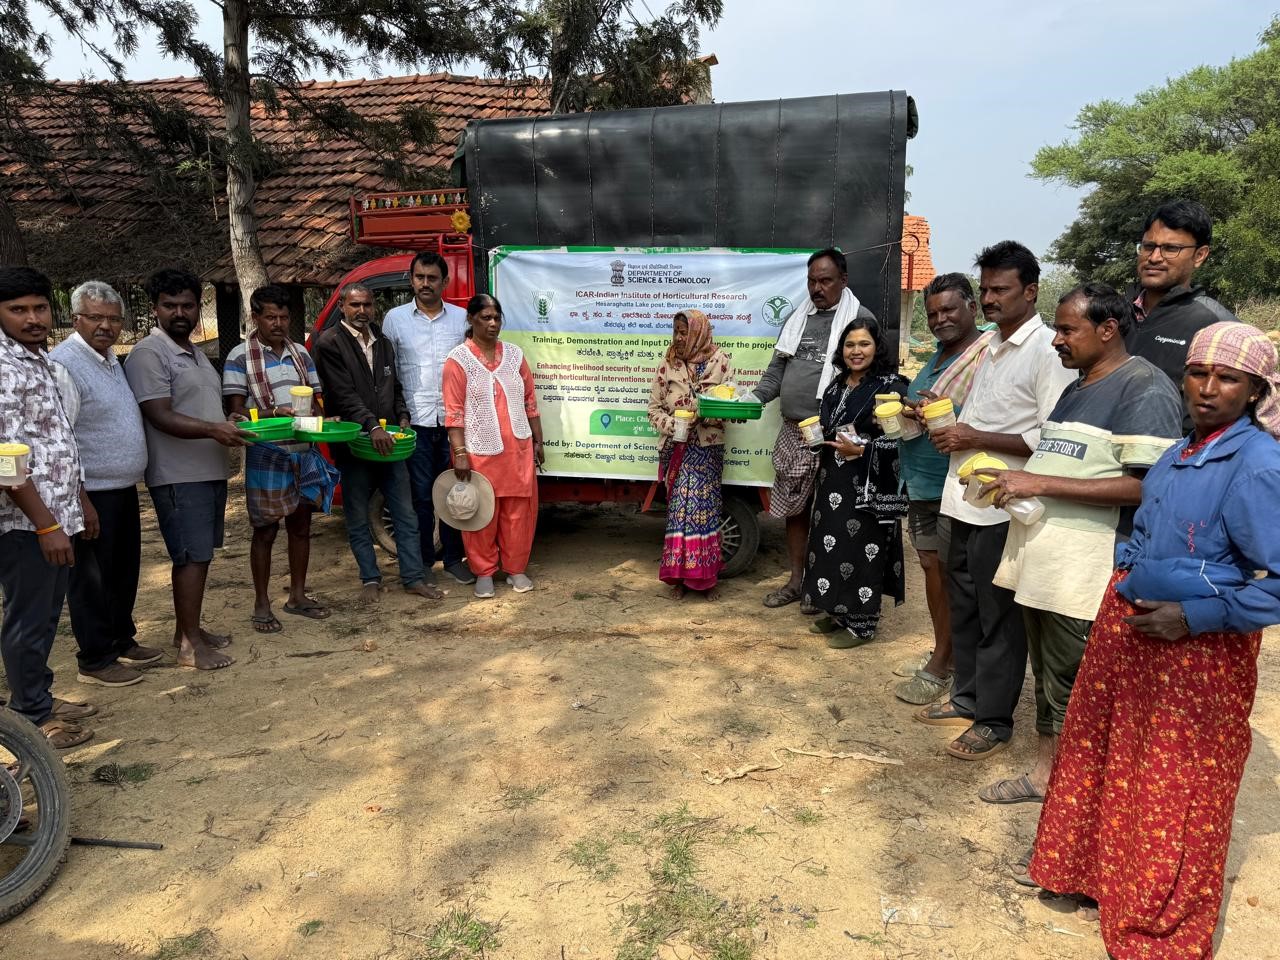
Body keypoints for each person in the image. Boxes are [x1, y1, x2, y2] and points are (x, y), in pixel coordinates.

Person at [1029, 321, 1280, 960]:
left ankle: (1157, 921)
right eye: (1199, 373)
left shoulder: (1256, 464)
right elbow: (1144, 533)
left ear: (1255, 390)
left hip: (1198, 650)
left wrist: (1193, 617)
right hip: (1133, 633)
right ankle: (1096, 879)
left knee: (1176, 787)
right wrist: (1126, 583)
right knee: (1111, 758)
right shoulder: (1178, 453)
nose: (1208, 388)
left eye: (1228, 379)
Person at [974, 282, 1182, 808]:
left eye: (1068, 330)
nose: (1056, 341)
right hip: (1045, 563)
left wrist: (1038, 483)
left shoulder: (1145, 388)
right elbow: (1064, 463)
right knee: (1048, 676)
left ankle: (1076, 798)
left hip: (1084, 571)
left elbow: (1146, 485)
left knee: (1076, 684)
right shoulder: (1079, 385)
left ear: (1108, 330)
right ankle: (1049, 777)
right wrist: (1012, 481)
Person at [914, 241, 1075, 760]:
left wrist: (975, 436)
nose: (989, 299)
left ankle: (994, 720)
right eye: (984, 289)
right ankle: (967, 696)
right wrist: (955, 433)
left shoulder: (1048, 352)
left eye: (1000, 290)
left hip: (1002, 503)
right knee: (964, 606)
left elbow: (1053, 434)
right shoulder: (991, 347)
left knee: (998, 615)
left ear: (1030, 292)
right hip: (962, 498)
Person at [125, 268, 247, 671]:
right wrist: (215, 429)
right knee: (190, 557)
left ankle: (186, 630)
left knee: (201, 555)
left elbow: (202, 408)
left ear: (199, 308)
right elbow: (160, 415)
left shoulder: (193, 351)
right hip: (179, 475)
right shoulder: (149, 353)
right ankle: (191, 646)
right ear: (154, 308)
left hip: (207, 470)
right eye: (170, 305)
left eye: (188, 305)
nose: (180, 312)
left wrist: (233, 419)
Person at [752, 248, 881, 613]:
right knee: (797, 509)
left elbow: (868, 377)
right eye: (812, 280)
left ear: (843, 280)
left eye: (825, 280)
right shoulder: (797, 318)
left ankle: (824, 588)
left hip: (839, 435)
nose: (817, 288)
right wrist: (753, 399)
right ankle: (797, 581)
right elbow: (776, 370)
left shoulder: (860, 319)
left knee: (835, 514)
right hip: (795, 431)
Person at [0, 267, 96, 748]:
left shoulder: (35, 360)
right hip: (26, 523)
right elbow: (5, 459)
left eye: (39, 307)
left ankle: (38, 694)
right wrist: (45, 525)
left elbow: (55, 442)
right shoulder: (2, 367)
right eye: (18, 310)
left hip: (58, 512)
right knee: (29, 618)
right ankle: (30, 719)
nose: (33, 318)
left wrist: (78, 502)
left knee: (45, 614)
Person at [50, 281, 161, 687]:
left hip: (120, 487)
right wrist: (79, 497)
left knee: (122, 569)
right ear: (76, 319)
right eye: (95, 317)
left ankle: (121, 639)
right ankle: (95, 659)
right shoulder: (65, 364)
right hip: (90, 491)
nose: (106, 326)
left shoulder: (110, 358)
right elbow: (62, 437)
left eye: (113, 319)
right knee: (91, 578)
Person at [312, 283, 442, 603]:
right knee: (357, 514)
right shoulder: (328, 343)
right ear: (342, 306)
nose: (362, 311)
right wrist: (371, 427)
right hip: (356, 442)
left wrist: (402, 416)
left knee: (405, 512)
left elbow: (393, 386)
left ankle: (413, 577)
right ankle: (370, 579)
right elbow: (342, 394)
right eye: (355, 305)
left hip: (390, 443)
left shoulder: (382, 342)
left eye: (367, 305)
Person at [222, 284, 338, 633]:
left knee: (301, 527)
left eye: (283, 316)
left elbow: (317, 400)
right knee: (265, 530)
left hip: (303, 452)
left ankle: (297, 596)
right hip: (267, 454)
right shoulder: (239, 356)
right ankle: (261, 603)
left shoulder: (301, 354)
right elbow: (236, 413)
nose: (277, 323)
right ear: (255, 317)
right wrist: (274, 411)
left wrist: (319, 415)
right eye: (270, 316)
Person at [892, 273, 982, 705]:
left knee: (953, 575)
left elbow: (988, 415)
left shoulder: (984, 355)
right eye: (933, 313)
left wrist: (941, 413)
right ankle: (946, 655)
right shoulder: (937, 357)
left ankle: (946, 662)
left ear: (972, 308)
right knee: (932, 567)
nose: (940, 319)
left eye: (949, 310)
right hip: (923, 480)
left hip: (959, 483)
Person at [800, 316, 908, 647]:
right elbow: (831, 427)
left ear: (878, 347)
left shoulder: (892, 387)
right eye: (849, 344)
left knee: (862, 550)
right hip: (833, 480)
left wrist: (862, 449)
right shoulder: (836, 385)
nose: (856, 351)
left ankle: (862, 624)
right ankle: (838, 613)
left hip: (868, 486)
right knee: (831, 547)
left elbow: (902, 440)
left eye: (864, 344)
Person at [381, 251, 474, 586]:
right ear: (411, 280)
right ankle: (422, 562)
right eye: (419, 277)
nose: (425, 284)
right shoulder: (394, 319)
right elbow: (386, 370)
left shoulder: (462, 319)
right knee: (420, 497)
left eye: (432, 278)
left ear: (444, 282)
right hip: (414, 422)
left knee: (452, 492)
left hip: (453, 422)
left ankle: (452, 559)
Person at [443, 294, 543, 598]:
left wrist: (538, 440)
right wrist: (460, 453)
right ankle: (483, 570)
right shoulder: (458, 361)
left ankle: (515, 568)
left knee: (518, 512)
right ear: (471, 319)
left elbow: (530, 402)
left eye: (497, 317)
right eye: (486, 317)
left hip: (518, 449)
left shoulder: (514, 355)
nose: (493, 323)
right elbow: (454, 412)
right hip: (477, 451)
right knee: (480, 512)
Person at [646, 309, 734, 600]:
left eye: (685, 332)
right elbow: (653, 410)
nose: (679, 338)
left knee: (705, 513)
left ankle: (706, 580)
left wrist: (706, 416)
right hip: (676, 449)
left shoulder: (721, 362)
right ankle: (680, 580)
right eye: (676, 331)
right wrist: (675, 425)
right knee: (680, 513)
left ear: (698, 332)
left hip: (707, 450)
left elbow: (730, 407)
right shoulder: (667, 363)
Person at [1127, 199, 1235, 408]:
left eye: (1171, 248)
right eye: (1148, 246)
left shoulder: (1217, 327)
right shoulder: (1114, 313)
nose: (1154, 257)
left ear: (1199, 255)